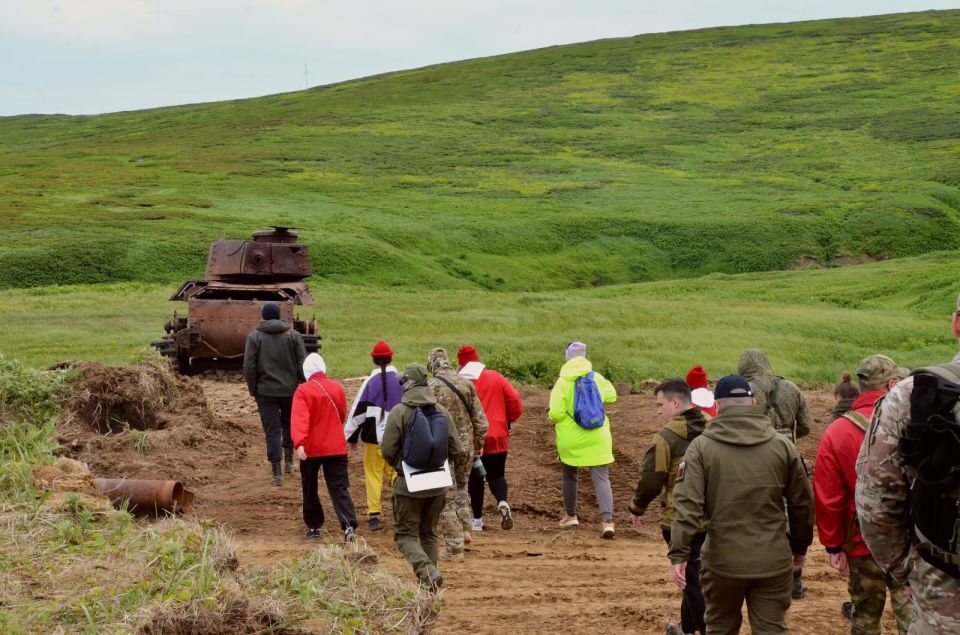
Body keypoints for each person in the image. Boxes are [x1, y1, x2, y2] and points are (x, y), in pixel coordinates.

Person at [669, 375, 813, 635]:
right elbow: (802, 503)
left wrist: (679, 552)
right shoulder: (783, 446)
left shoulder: (700, 448)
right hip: (772, 559)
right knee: (772, 630)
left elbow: (687, 506)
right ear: (754, 402)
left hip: (722, 563)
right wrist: (800, 546)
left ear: (717, 406)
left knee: (720, 627)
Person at [857, 292, 960, 634]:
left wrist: (907, 570)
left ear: (956, 324)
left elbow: (874, 505)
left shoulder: (910, 396)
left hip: (942, 596)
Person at [814, 354, 911, 634]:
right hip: (908, 539)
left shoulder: (837, 431)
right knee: (912, 614)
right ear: (891, 384)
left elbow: (828, 496)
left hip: (861, 540)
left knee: (866, 617)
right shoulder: (912, 424)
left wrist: (833, 546)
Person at [630, 378, 707, 635]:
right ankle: (688, 629)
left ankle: (705, 630)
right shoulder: (714, 428)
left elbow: (651, 479)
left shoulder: (665, 438)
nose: (658, 411)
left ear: (675, 403)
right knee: (697, 577)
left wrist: (637, 507)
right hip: (714, 518)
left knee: (691, 582)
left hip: (679, 519)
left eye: (660, 404)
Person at [737, 348, 813, 599]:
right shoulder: (791, 388)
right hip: (789, 454)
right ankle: (795, 579)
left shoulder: (744, 391)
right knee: (795, 509)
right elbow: (805, 426)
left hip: (755, 457)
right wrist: (787, 435)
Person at [381, 364, 462, 590]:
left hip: (408, 485)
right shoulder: (441, 411)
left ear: (408, 384)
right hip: (438, 484)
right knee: (429, 534)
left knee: (404, 535)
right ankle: (429, 585)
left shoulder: (399, 412)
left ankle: (427, 573)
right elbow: (456, 449)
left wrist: (401, 464)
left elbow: (387, 450)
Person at [548, 341, 618, 538]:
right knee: (601, 478)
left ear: (567, 357)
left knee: (570, 475)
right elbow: (612, 396)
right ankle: (607, 522)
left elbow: (555, 413)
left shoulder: (562, 382)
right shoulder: (596, 377)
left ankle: (571, 515)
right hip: (598, 436)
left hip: (571, 438)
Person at [427, 347, 488, 560]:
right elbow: (481, 421)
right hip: (466, 446)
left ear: (432, 365)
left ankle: (455, 546)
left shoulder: (430, 387)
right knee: (463, 487)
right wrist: (478, 443)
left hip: (441, 447)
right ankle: (466, 529)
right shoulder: (466, 383)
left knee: (447, 495)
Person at [291, 353, 359, 544]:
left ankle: (314, 526)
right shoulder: (337, 387)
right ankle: (348, 525)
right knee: (339, 487)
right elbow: (342, 414)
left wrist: (299, 442)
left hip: (311, 448)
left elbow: (300, 418)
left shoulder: (303, 390)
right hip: (335, 446)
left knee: (310, 486)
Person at [458, 345, 524, 534]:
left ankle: (477, 520)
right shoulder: (495, 376)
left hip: (473, 437)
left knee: (475, 478)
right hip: (498, 435)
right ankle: (502, 501)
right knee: (496, 475)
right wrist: (508, 419)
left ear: (461, 364)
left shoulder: (460, 382)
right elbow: (514, 399)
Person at [243, 302, 306, 486]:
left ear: (263, 317)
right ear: (279, 316)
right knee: (290, 425)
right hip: (290, 390)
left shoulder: (254, 337)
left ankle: (276, 473)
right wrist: (301, 382)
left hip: (265, 391)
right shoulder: (293, 335)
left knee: (272, 430)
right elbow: (302, 362)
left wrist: (253, 388)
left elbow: (249, 366)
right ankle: (289, 462)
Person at [345, 340, 403, 531]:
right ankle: (401, 509)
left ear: (374, 360)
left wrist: (351, 437)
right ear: (391, 357)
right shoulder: (402, 381)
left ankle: (375, 516)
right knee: (397, 474)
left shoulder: (370, 382)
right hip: (397, 441)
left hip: (373, 441)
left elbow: (357, 414)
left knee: (373, 475)